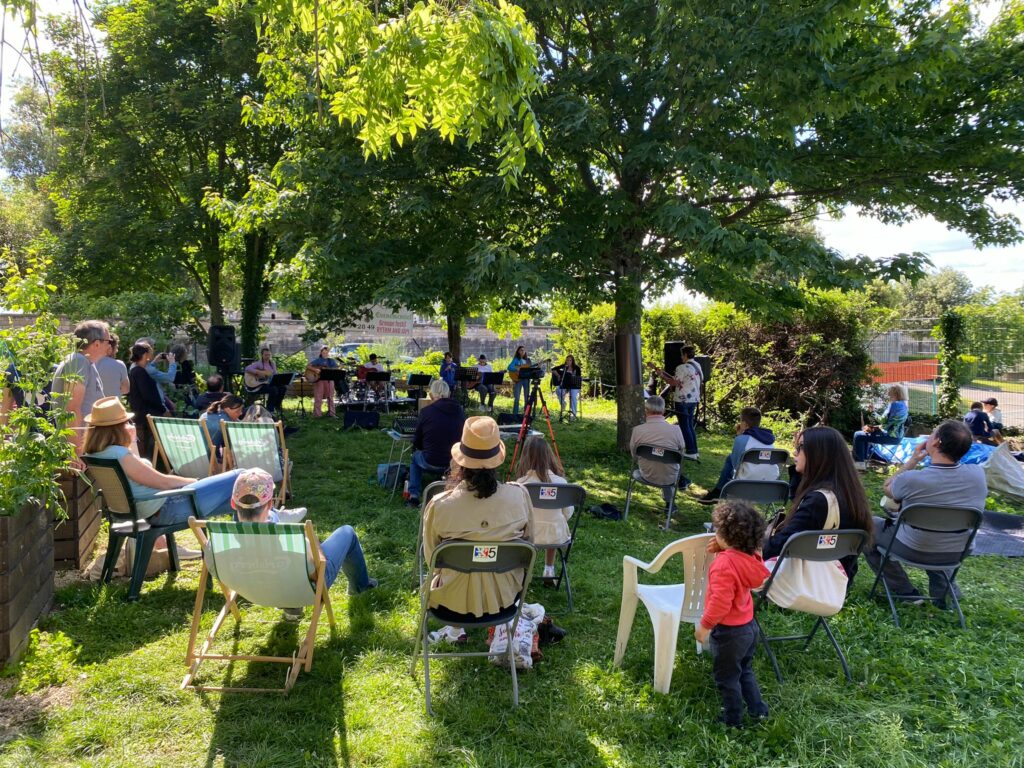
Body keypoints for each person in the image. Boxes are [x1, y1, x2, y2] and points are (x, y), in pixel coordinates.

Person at [422, 416, 534, 627]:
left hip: (450, 602)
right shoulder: (519, 497)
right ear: (497, 459)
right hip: (505, 600)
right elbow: (528, 551)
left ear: (461, 460)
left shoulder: (440, 505)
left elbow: (432, 559)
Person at [863, 420, 987, 608]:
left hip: (916, 548)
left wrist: (913, 460)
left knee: (868, 527)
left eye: (932, 433)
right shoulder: (978, 475)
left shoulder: (912, 479)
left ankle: (904, 592)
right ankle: (945, 594)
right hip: (958, 550)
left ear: (936, 442)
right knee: (940, 531)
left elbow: (888, 487)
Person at [228, 468, 375, 620]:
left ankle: (292, 608)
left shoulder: (221, 542)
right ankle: (361, 587)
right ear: (270, 503)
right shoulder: (294, 541)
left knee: (289, 568)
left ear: (233, 503)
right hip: (299, 591)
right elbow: (318, 571)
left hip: (255, 593)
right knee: (347, 532)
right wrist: (313, 540)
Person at [82, 396, 242, 526]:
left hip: (147, 510)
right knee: (241, 476)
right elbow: (163, 482)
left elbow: (139, 476)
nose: (130, 425)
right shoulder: (120, 455)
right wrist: (196, 482)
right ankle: (247, 541)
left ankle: (244, 536)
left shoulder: (99, 454)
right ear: (118, 427)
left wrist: (131, 441)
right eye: (127, 422)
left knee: (241, 501)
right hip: (164, 509)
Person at [763, 425, 872, 580]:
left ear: (819, 453)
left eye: (800, 447)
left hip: (802, 581)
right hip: (835, 580)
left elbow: (775, 548)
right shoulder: (849, 493)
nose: (795, 452)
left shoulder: (818, 502)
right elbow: (798, 503)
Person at [697, 500, 771, 728]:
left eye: (717, 530)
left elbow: (720, 602)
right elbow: (742, 568)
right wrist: (724, 548)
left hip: (729, 633)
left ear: (726, 535)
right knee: (744, 670)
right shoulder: (751, 559)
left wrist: (705, 626)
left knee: (727, 678)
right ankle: (758, 710)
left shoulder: (723, 565)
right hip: (749, 628)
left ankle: (732, 719)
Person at [514, 435, 573, 584]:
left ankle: (523, 571)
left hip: (528, 537)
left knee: (531, 525)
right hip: (557, 536)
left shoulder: (521, 484)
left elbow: (517, 514)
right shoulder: (561, 483)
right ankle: (549, 569)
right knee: (553, 522)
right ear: (549, 456)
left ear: (525, 457)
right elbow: (568, 513)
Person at [698, 407, 777, 505]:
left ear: (744, 424)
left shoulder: (742, 439)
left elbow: (736, 465)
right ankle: (717, 491)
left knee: (730, 458)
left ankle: (718, 491)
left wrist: (739, 436)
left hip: (745, 483)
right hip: (770, 484)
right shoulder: (770, 441)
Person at [51, 320, 109, 447]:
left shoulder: (84, 362)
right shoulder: (79, 362)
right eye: (108, 341)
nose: (109, 346)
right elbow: (71, 409)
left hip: (88, 443)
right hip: (80, 445)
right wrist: (76, 449)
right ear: (97, 343)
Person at [407, 379, 465, 506]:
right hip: (453, 462)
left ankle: (413, 495)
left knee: (415, 458)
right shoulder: (460, 411)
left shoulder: (426, 412)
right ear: (449, 394)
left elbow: (417, 441)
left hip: (430, 460)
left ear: (431, 395)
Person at [629, 395, 687, 510]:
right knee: (667, 468)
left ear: (646, 411)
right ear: (664, 411)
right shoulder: (676, 430)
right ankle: (670, 504)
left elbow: (634, 456)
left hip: (646, 475)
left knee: (657, 465)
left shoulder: (637, 430)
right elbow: (681, 454)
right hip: (670, 477)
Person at [128, 342, 170, 459]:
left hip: (143, 412)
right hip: (147, 413)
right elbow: (148, 395)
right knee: (150, 444)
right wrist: (163, 409)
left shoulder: (137, 369)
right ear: (146, 354)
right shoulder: (139, 372)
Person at [852, 384, 909, 470]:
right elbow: (891, 423)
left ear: (895, 394)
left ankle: (860, 464)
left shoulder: (894, 405)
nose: (888, 395)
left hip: (890, 436)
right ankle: (864, 462)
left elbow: (882, 420)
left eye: (890, 393)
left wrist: (873, 412)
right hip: (897, 437)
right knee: (864, 435)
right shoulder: (904, 405)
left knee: (858, 435)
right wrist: (877, 427)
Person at [136, 339, 177, 414]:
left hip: (143, 405)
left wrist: (154, 361)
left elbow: (147, 368)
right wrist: (172, 363)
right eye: (153, 348)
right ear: (147, 352)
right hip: (156, 405)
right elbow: (170, 378)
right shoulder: (149, 370)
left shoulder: (135, 366)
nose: (154, 351)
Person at [244, 346, 286, 414]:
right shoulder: (259, 364)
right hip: (258, 385)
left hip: (268, 383)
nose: (267, 356)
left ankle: (276, 406)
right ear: (262, 355)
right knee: (273, 389)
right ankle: (270, 410)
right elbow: (247, 368)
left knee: (283, 388)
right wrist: (258, 372)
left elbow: (275, 374)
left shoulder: (272, 364)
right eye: (266, 355)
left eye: (269, 355)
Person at [95, 333, 130, 398]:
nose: (117, 351)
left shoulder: (91, 363)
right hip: (113, 403)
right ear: (110, 348)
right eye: (116, 348)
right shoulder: (119, 364)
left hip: (94, 404)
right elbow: (126, 389)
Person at [308, 345, 338, 418]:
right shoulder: (318, 360)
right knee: (318, 397)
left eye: (327, 352)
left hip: (329, 380)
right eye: (324, 353)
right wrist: (315, 370)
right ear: (321, 353)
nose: (325, 354)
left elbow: (336, 369)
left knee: (330, 397)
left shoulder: (331, 361)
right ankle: (317, 414)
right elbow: (308, 366)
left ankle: (332, 413)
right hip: (319, 380)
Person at [552, 354, 582, 419]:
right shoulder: (564, 366)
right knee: (558, 390)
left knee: (573, 396)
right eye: (567, 360)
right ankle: (563, 403)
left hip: (574, 386)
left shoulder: (577, 368)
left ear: (572, 361)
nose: (568, 361)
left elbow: (579, 378)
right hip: (565, 385)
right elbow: (553, 369)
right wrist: (558, 375)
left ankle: (573, 414)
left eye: (570, 360)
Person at [507, 346, 532, 416]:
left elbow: (531, 369)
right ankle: (515, 415)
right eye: (521, 350)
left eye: (524, 350)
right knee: (517, 397)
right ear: (518, 351)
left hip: (526, 380)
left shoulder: (528, 360)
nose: (522, 351)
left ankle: (526, 415)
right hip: (518, 379)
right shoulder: (516, 359)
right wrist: (517, 369)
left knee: (526, 398)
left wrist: (538, 366)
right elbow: (509, 367)